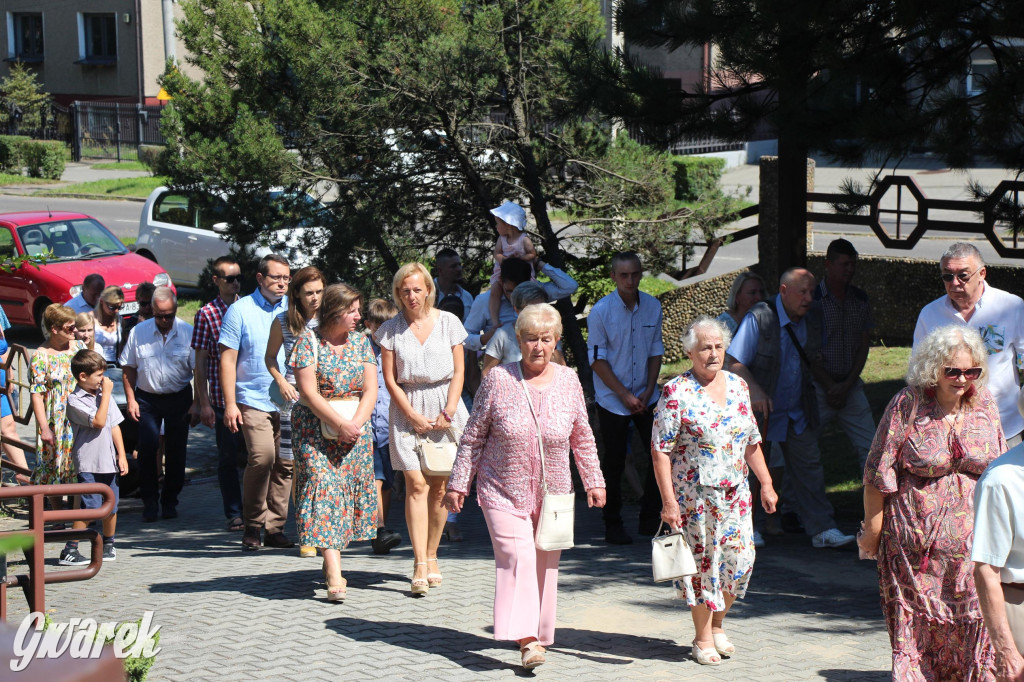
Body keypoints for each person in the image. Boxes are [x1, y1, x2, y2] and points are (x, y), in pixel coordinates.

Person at [445, 303, 606, 671]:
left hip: (553, 493)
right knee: (518, 557)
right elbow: (472, 437)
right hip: (501, 488)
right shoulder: (499, 379)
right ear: (519, 340)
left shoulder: (568, 381)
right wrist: (458, 483)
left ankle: (537, 631)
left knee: (545, 563)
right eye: (531, 339)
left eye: (545, 340)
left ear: (556, 341)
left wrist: (593, 480)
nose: (538, 347)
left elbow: (582, 436)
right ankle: (528, 640)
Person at [858, 324, 1002, 680]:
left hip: (975, 549)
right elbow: (877, 475)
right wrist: (872, 536)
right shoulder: (907, 404)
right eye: (952, 370)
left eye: (971, 371)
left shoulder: (984, 403)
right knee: (916, 636)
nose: (962, 379)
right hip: (913, 554)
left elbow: (1001, 469)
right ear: (932, 369)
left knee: (977, 626)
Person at [652, 317, 778, 666]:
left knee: (740, 562)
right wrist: (668, 501)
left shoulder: (738, 386)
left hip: (736, 495)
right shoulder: (676, 391)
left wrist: (766, 483)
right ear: (690, 351)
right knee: (703, 566)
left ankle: (719, 623)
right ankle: (703, 637)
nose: (712, 353)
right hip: (695, 498)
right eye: (704, 347)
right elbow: (660, 450)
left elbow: (751, 441)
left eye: (718, 346)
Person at [727, 267, 855, 549]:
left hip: (797, 408)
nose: (809, 298)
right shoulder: (759, 317)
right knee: (752, 472)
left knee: (810, 468)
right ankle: (748, 528)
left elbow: (811, 359)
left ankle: (823, 529)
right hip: (760, 411)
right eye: (803, 292)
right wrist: (756, 390)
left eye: (812, 292)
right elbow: (733, 361)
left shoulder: (812, 318)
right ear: (784, 291)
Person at [374, 262, 469, 595]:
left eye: (417, 289)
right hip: (407, 408)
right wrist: (411, 414)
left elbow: (459, 371)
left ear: (428, 288)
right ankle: (418, 561)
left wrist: (451, 408)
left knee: (440, 487)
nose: (411, 296)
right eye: (404, 290)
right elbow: (389, 378)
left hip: (446, 406)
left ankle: (432, 555)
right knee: (415, 483)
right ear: (397, 294)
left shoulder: (449, 323)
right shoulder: (390, 329)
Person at [290, 283, 379, 602]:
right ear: (333, 311)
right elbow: (308, 392)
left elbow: (370, 390)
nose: (358, 315)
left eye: (359, 309)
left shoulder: (362, 342)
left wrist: (354, 423)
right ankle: (333, 570)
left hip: (355, 428)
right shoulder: (308, 341)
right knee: (323, 488)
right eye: (352, 310)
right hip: (315, 429)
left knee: (343, 493)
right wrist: (338, 422)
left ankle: (335, 558)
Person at [913, 241, 1024, 446]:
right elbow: (919, 372)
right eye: (947, 276)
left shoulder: (1011, 307)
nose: (955, 283)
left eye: (963, 275)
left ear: (982, 273)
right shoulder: (930, 314)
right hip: (946, 427)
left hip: (1004, 426)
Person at [587, 251, 664, 544]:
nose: (630, 280)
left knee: (660, 455)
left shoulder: (652, 306)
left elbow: (656, 349)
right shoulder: (601, 311)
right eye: (623, 275)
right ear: (613, 277)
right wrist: (624, 395)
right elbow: (597, 359)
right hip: (612, 398)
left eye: (634, 274)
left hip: (647, 394)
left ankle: (650, 518)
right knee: (615, 461)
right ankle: (613, 522)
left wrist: (647, 390)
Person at [219, 254, 294, 551]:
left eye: (287, 278)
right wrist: (230, 404)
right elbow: (228, 359)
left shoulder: (293, 309)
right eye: (276, 277)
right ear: (260, 279)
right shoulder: (240, 310)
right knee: (263, 457)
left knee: (285, 464)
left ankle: (275, 528)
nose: (282, 283)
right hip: (252, 398)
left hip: (289, 400)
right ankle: (252, 524)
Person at [119, 287, 195, 522]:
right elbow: (128, 367)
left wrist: (200, 402)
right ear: (152, 311)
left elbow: (198, 370)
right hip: (147, 398)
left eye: (169, 315)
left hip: (178, 396)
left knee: (176, 452)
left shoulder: (186, 332)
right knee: (147, 449)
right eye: (160, 315)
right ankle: (149, 501)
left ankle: (170, 500)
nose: (165, 320)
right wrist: (131, 400)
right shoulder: (139, 332)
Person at [265, 265, 325, 558]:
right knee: (295, 466)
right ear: (297, 295)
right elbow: (270, 358)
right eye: (309, 293)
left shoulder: (329, 320)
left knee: (321, 465)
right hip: (293, 399)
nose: (315, 298)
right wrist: (280, 381)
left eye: (319, 292)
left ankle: (325, 528)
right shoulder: (284, 321)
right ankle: (305, 532)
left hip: (325, 398)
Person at [57, 350, 129, 566]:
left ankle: (109, 543)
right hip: (89, 462)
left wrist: (122, 455)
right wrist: (106, 394)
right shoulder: (74, 400)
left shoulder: (101, 395)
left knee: (111, 505)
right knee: (91, 506)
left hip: (109, 461)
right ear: (82, 376)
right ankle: (70, 549)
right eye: (99, 375)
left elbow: (114, 425)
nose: (103, 380)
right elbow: (98, 421)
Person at [814, 239, 877, 473]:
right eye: (844, 265)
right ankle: (791, 504)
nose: (849, 270)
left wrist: (847, 384)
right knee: (803, 448)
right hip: (819, 386)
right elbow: (806, 350)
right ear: (828, 264)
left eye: (853, 264)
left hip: (850, 385)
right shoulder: (812, 300)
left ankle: (873, 505)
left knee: (872, 448)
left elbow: (864, 345)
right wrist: (830, 385)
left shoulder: (860, 299)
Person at [191, 256, 244, 531]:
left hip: (252, 398)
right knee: (228, 459)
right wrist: (204, 402)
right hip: (223, 401)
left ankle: (260, 511)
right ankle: (235, 512)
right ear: (216, 281)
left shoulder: (249, 308)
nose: (235, 284)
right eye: (229, 279)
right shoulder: (206, 314)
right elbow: (199, 362)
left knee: (261, 457)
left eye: (238, 278)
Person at [30, 304, 86, 506]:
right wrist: (44, 427)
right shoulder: (41, 356)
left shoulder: (78, 348)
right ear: (54, 329)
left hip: (79, 415)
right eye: (69, 328)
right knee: (53, 463)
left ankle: (80, 511)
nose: (75, 331)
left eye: (75, 326)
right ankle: (57, 512)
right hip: (56, 418)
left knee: (79, 462)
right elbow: (36, 394)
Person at [464, 257, 577, 354]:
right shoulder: (484, 301)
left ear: (529, 281)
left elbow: (570, 286)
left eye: (519, 290)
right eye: (509, 291)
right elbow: (464, 338)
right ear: (501, 281)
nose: (514, 297)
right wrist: (486, 338)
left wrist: (538, 263)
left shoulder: (536, 293)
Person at [365, 299, 402, 555]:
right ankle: (379, 528)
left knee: (387, 482)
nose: (386, 334)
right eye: (380, 328)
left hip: (389, 427)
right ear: (369, 326)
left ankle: (381, 531)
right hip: (365, 426)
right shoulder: (360, 350)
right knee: (375, 479)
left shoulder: (398, 351)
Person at [487, 201, 537, 333]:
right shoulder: (502, 239)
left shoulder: (524, 239)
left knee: (528, 293)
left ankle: (527, 317)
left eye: (498, 223)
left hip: (521, 272)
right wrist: (504, 260)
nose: (496, 227)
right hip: (504, 270)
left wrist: (520, 259)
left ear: (508, 225)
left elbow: (532, 254)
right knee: (495, 290)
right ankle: (495, 320)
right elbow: (497, 253)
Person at [481, 281, 550, 375]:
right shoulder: (502, 335)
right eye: (530, 309)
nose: (537, 314)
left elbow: (560, 370)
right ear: (516, 310)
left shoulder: (550, 334)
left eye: (541, 308)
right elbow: (486, 374)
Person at [0, 305, 25, 473]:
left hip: (1, 383)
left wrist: (9, 375)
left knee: (8, 428)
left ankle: (27, 481)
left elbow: (3, 347)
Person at [120, 282, 156, 356]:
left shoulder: (160, 318)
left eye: (150, 303)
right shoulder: (133, 320)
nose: (147, 307)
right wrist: (138, 327)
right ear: (137, 300)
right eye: (143, 303)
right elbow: (129, 342)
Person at [93, 286, 125, 365]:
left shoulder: (119, 320)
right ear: (101, 301)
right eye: (112, 307)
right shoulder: (91, 320)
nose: (116, 311)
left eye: (119, 307)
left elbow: (121, 349)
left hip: (114, 365)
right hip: (95, 364)